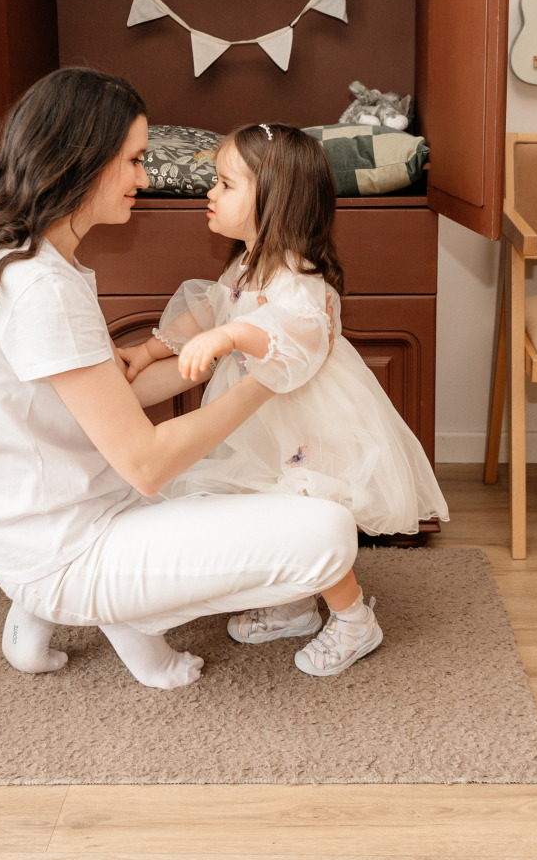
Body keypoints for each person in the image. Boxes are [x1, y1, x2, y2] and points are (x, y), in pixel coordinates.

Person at [0, 70, 376, 690]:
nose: (146, 177)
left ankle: (43, 609)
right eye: (134, 160)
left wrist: (148, 356)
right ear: (82, 161)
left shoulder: (26, 259)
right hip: (69, 544)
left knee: (228, 479)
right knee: (327, 531)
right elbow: (148, 465)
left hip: (38, 527)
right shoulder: (43, 287)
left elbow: (117, 398)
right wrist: (268, 379)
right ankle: (63, 601)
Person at [122, 122, 449, 671]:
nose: (210, 192)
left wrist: (230, 336)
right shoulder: (246, 264)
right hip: (259, 424)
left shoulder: (299, 277)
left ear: (274, 201)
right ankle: (293, 604)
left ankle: (353, 620)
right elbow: (206, 313)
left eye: (226, 184)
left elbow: (291, 334)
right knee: (266, 512)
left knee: (303, 513)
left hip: (305, 426)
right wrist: (148, 351)